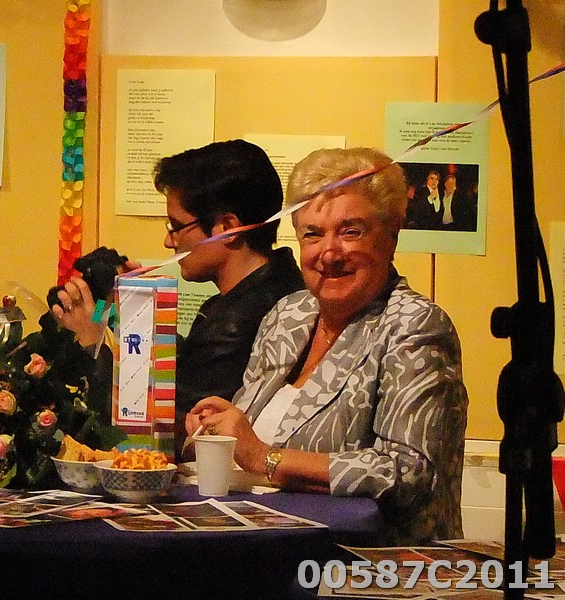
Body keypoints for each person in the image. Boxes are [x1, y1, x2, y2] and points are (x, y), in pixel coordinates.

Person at [186, 147, 468, 545]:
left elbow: (405, 473)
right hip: (273, 550)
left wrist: (264, 457)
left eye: (350, 231)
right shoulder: (288, 314)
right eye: (313, 234)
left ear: (391, 237)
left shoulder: (414, 325)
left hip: (372, 565)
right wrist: (221, 426)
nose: (329, 253)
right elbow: (252, 441)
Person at [53, 140, 305, 459]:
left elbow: (154, 430)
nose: (168, 241)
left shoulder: (246, 319)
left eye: (176, 227)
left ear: (227, 228)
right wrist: (121, 314)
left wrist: (92, 340)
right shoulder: (255, 292)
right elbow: (185, 362)